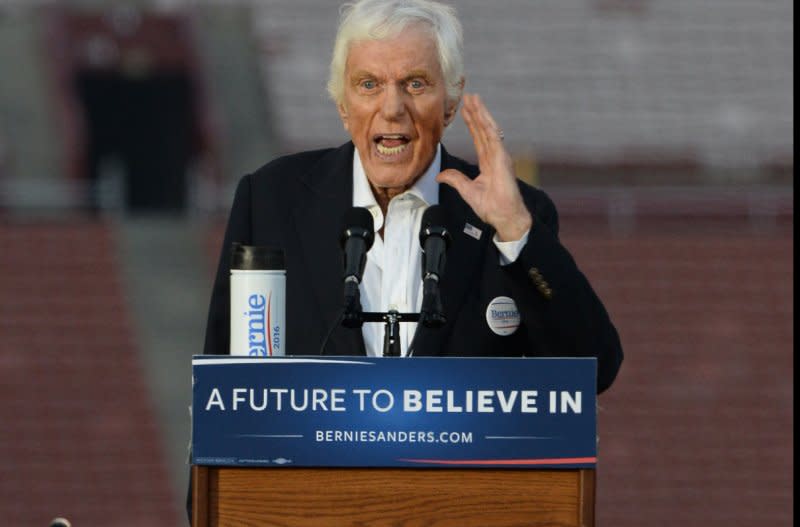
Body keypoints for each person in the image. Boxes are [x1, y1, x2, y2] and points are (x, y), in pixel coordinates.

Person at [203, 0, 623, 392]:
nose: (392, 108)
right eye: (369, 84)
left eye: (415, 84)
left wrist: (515, 233)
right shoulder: (271, 201)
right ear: (342, 104)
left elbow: (593, 370)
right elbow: (221, 395)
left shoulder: (515, 214)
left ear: (451, 103)